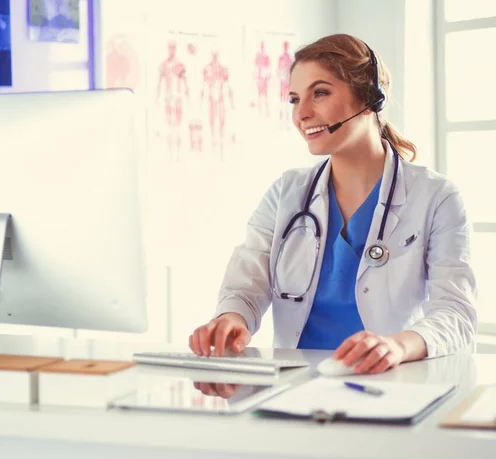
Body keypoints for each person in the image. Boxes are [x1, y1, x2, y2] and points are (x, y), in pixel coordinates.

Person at [188, 34, 477, 375]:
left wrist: (398, 345)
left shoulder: (436, 197)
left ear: (370, 97)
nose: (302, 113)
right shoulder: (286, 193)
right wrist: (232, 317)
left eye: (320, 93)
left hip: (390, 385)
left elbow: (456, 314)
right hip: (294, 385)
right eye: (295, 99)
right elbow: (247, 281)